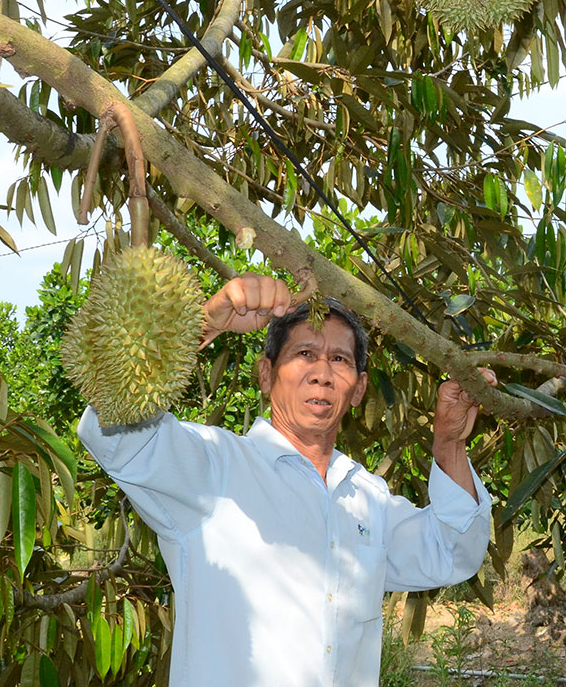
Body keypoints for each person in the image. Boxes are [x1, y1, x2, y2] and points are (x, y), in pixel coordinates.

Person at [77, 273, 494, 686]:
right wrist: (204, 324)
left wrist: (449, 444)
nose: (322, 373)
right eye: (304, 353)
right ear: (265, 374)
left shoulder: (367, 498)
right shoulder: (213, 469)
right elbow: (112, 428)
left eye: (340, 359)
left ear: (359, 389)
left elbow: (451, 551)